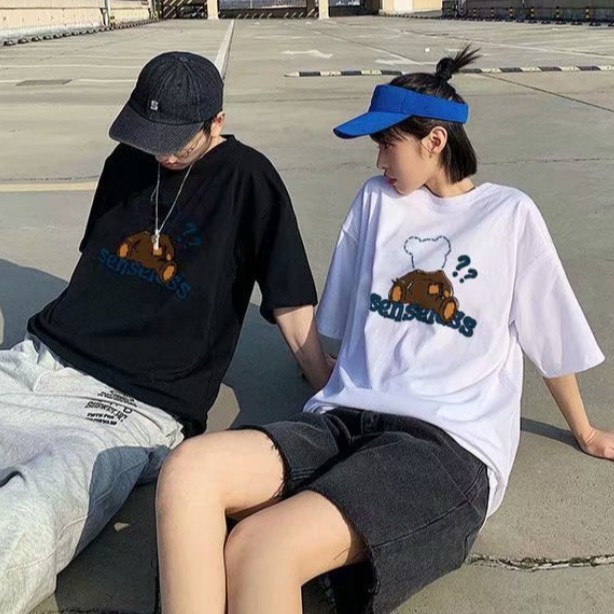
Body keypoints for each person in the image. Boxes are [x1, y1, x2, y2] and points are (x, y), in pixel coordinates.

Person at [154, 46, 614, 614]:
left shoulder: (509, 215)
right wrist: (327, 382)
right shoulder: (376, 202)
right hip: (341, 420)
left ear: (435, 141)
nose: (378, 161)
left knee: (260, 546)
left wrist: (585, 431)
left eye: (386, 144)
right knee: (187, 472)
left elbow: (551, 337)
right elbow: (341, 328)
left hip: (442, 446)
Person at [0, 51, 330, 614]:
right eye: (150, 136)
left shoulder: (249, 181)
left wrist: (330, 384)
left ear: (217, 122)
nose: (162, 152)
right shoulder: (129, 159)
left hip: (129, 405)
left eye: (176, 141)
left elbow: (291, 302)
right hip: (40, 359)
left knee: (31, 516)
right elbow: (96, 262)